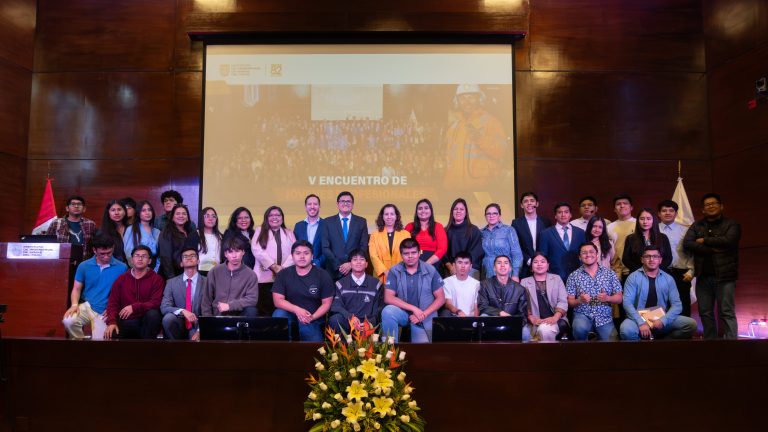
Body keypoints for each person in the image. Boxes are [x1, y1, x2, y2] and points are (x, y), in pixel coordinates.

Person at [683, 193, 741, 340]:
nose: (711, 206)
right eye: (707, 205)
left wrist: (704, 240)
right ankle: (711, 343)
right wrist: (712, 248)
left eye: (714, 203)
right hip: (703, 276)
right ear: (703, 209)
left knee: (726, 311)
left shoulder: (731, 224)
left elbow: (729, 241)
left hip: (725, 276)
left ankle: (732, 344)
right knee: (705, 312)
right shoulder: (697, 225)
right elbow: (688, 243)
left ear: (721, 206)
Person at [620, 245, 697, 340]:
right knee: (626, 330)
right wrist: (641, 323)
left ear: (660, 260)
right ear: (642, 259)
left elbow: (677, 305)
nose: (651, 259)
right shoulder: (633, 277)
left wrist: (663, 321)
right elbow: (627, 303)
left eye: (655, 256)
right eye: (647, 256)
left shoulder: (668, 279)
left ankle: (663, 342)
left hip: (661, 317)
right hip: (638, 317)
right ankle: (642, 347)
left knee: (691, 324)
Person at [62, 233, 127, 340]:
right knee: (69, 321)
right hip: (88, 306)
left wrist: (114, 309)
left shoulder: (122, 267)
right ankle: (78, 342)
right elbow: (76, 288)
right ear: (94, 250)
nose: (106, 256)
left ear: (113, 248)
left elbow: (124, 293)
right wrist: (74, 305)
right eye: (102, 254)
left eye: (109, 253)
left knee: (101, 341)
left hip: (107, 310)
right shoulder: (84, 266)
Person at [442, 84, 507, 189]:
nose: (467, 102)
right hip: (456, 188)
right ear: (457, 101)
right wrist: (447, 186)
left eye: (471, 97)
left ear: (479, 99)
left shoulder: (491, 122)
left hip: (482, 188)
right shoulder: (454, 127)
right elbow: (449, 161)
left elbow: (501, 151)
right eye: (462, 98)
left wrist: (480, 139)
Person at [380, 239, 445, 343]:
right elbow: (388, 297)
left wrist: (423, 314)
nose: (410, 256)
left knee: (421, 351)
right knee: (388, 311)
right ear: (401, 255)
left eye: (413, 253)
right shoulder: (394, 270)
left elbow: (441, 298)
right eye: (406, 253)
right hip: (403, 313)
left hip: (424, 316)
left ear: (419, 253)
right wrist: (414, 309)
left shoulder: (430, 270)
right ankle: (389, 349)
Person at [272, 240, 334, 341]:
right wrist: (297, 310)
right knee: (279, 314)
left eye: (306, 253)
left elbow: (326, 304)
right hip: (290, 313)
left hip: (312, 316)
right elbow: (278, 301)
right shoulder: (283, 274)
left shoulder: (323, 275)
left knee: (314, 345)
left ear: (312, 256)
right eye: (298, 253)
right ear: (292, 256)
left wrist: (312, 317)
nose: (302, 256)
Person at [104, 245, 165, 339]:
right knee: (114, 331)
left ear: (149, 261)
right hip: (127, 320)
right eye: (137, 256)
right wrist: (111, 322)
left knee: (153, 315)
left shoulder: (157, 279)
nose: (140, 259)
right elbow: (112, 303)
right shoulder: (121, 279)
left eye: (144, 256)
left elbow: (156, 302)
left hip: (147, 319)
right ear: (132, 260)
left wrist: (134, 307)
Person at [566, 243, 623, 341]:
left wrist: (608, 298)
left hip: (604, 317)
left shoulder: (610, 274)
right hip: (582, 314)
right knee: (579, 328)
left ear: (597, 254)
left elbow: (619, 298)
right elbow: (570, 301)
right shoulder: (573, 276)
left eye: (591, 252)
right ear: (579, 257)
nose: (588, 255)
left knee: (613, 343)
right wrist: (579, 300)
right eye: (584, 253)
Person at [252, 206, 296, 316]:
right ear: (266, 218)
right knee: (265, 310)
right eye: (271, 215)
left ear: (282, 218)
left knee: (280, 310)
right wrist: (273, 266)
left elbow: (294, 251)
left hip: (284, 276)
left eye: (278, 215)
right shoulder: (259, 231)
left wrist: (282, 268)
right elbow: (257, 250)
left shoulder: (289, 232)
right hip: (264, 278)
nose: (274, 217)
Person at [202, 235, 259, 317]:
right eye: (230, 252)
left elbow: (252, 299)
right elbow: (206, 299)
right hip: (217, 315)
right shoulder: (214, 272)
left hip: (239, 316)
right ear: (225, 254)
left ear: (243, 252)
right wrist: (207, 319)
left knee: (251, 310)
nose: (234, 256)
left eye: (237, 251)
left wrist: (230, 306)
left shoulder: (251, 275)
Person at [328, 249, 383, 333]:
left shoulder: (376, 284)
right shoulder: (340, 284)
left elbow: (379, 308)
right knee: (335, 319)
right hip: (348, 321)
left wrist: (369, 322)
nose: (358, 262)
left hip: (368, 324)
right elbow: (336, 306)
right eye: (355, 259)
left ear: (366, 264)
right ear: (350, 264)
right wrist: (350, 317)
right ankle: (343, 342)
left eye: (362, 259)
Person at [477, 255, 529, 340]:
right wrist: (500, 313)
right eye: (499, 263)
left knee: (525, 332)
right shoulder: (485, 285)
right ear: (494, 268)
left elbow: (522, 314)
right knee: (483, 316)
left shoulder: (519, 289)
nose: (502, 265)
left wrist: (511, 321)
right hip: (492, 320)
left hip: (512, 321)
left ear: (510, 268)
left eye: (506, 263)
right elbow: (482, 306)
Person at [657, 199, 695, 317]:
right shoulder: (653, 230)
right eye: (664, 211)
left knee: (683, 306)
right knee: (661, 307)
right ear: (659, 214)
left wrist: (691, 271)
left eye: (671, 210)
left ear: (676, 213)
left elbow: (693, 252)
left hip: (681, 274)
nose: (667, 213)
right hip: (659, 273)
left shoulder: (686, 230)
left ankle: (684, 328)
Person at [161, 247, 207, 340]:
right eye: (185, 256)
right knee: (168, 319)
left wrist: (200, 330)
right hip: (179, 322)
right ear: (181, 263)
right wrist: (182, 311)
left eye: (192, 256)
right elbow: (164, 307)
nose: (189, 258)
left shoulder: (207, 282)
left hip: (198, 323)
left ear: (198, 261)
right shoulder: (171, 283)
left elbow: (211, 308)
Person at [520, 252, 569, 341]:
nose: (539, 264)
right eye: (535, 262)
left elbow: (563, 301)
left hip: (555, 320)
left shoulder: (556, 279)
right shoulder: (524, 282)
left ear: (548, 265)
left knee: (544, 329)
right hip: (534, 321)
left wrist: (555, 317)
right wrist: (529, 317)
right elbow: (522, 304)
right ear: (531, 267)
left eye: (542, 261)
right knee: (524, 333)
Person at [321, 191, 369, 280]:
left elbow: (363, 246)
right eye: (342, 201)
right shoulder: (327, 222)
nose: (345, 203)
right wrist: (339, 265)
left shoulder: (361, 222)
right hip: (333, 271)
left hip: (354, 271)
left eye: (348, 201)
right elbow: (325, 247)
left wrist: (351, 263)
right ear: (337, 204)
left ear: (353, 204)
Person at [537, 202, 585, 284]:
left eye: (566, 212)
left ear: (570, 215)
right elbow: (543, 257)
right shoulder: (545, 234)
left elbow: (583, 254)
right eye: (560, 212)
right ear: (555, 216)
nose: (563, 215)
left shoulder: (580, 232)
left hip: (578, 277)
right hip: (554, 278)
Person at [511, 192, 551, 279]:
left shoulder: (546, 222)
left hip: (543, 266)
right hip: (525, 266)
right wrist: (529, 260)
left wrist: (540, 261)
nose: (529, 203)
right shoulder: (516, 223)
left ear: (537, 204)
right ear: (522, 205)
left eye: (532, 201)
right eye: (525, 201)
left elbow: (549, 244)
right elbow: (516, 246)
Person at [46, 195, 98, 259]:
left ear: (84, 209)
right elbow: (47, 244)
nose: (76, 206)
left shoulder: (90, 224)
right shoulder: (56, 223)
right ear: (67, 208)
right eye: (73, 204)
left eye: (79, 204)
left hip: (85, 261)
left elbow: (96, 245)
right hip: (62, 260)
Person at [622, 208, 673, 274]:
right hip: (637, 274)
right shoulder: (630, 238)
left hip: (659, 274)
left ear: (653, 220)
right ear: (638, 221)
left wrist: (655, 270)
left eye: (648, 219)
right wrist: (642, 271)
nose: (645, 222)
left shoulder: (663, 237)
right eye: (642, 219)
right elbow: (626, 260)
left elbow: (668, 258)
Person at [369, 203, 410, 283]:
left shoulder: (406, 234)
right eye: (386, 214)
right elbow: (373, 256)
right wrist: (385, 271)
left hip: (401, 274)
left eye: (392, 214)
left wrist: (398, 271)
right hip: (381, 276)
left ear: (396, 216)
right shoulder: (374, 235)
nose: (389, 217)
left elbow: (408, 254)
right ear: (382, 217)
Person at [158, 204, 200, 280]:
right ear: (172, 217)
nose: (181, 216)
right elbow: (165, 257)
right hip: (171, 274)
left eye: (184, 214)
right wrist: (171, 278)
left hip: (187, 273)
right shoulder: (166, 232)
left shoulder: (191, 231)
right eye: (177, 214)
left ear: (187, 217)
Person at [481, 203, 522, 279]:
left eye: (495, 213)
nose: (491, 216)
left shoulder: (509, 230)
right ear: (485, 216)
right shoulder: (481, 232)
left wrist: (515, 275)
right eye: (488, 214)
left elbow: (517, 253)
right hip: (487, 273)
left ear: (499, 216)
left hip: (505, 273)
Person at [444, 198, 483, 279]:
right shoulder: (445, 231)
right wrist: (451, 267)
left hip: (470, 269)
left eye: (461, 209)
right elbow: (443, 253)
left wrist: (462, 266)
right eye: (456, 209)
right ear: (452, 212)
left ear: (466, 212)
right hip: (451, 269)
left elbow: (477, 252)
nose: (458, 211)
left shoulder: (474, 230)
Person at [404, 198, 447, 266]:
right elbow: (403, 248)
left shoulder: (438, 226)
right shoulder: (409, 226)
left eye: (426, 208)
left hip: (432, 264)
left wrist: (426, 265)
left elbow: (442, 249)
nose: (423, 211)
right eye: (420, 208)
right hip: (412, 264)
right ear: (416, 212)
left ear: (431, 210)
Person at [123, 200, 161, 271]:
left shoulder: (157, 232)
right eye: (143, 210)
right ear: (138, 213)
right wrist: (138, 268)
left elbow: (160, 255)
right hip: (136, 268)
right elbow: (128, 253)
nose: (147, 213)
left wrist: (156, 269)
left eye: (149, 210)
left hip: (154, 268)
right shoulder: (131, 229)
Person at [607, 194, 636, 282]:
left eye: (625, 203)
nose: (622, 206)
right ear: (614, 209)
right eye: (618, 204)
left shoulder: (639, 224)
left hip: (635, 269)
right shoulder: (609, 227)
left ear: (631, 207)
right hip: (615, 271)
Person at [441, 252, 480, 317]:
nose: (463, 266)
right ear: (454, 265)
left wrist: (475, 320)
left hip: (471, 318)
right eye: (460, 263)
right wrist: (458, 311)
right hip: (454, 316)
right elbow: (448, 303)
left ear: (470, 266)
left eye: (466, 263)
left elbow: (476, 307)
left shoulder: (477, 284)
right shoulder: (446, 282)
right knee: (444, 313)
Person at [293, 194, 325, 268]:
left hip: (320, 268)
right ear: (305, 207)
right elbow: (295, 248)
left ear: (319, 206)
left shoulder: (326, 225)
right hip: (301, 267)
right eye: (309, 204)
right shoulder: (298, 226)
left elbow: (329, 248)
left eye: (315, 204)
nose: (312, 207)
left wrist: (317, 262)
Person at [100, 199, 128, 264]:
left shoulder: (132, 229)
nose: (116, 213)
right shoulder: (102, 232)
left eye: (119, 209)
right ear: (108, 213)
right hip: (112, 265)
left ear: (124, 212)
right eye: (113, 210)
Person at [197, 207, 222, 276]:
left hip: (217, 272)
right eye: (207, 216)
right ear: (202, 218)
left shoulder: (220, 236)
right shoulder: (196, 234)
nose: (210, 219)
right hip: (200, 272)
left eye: (213, 216)